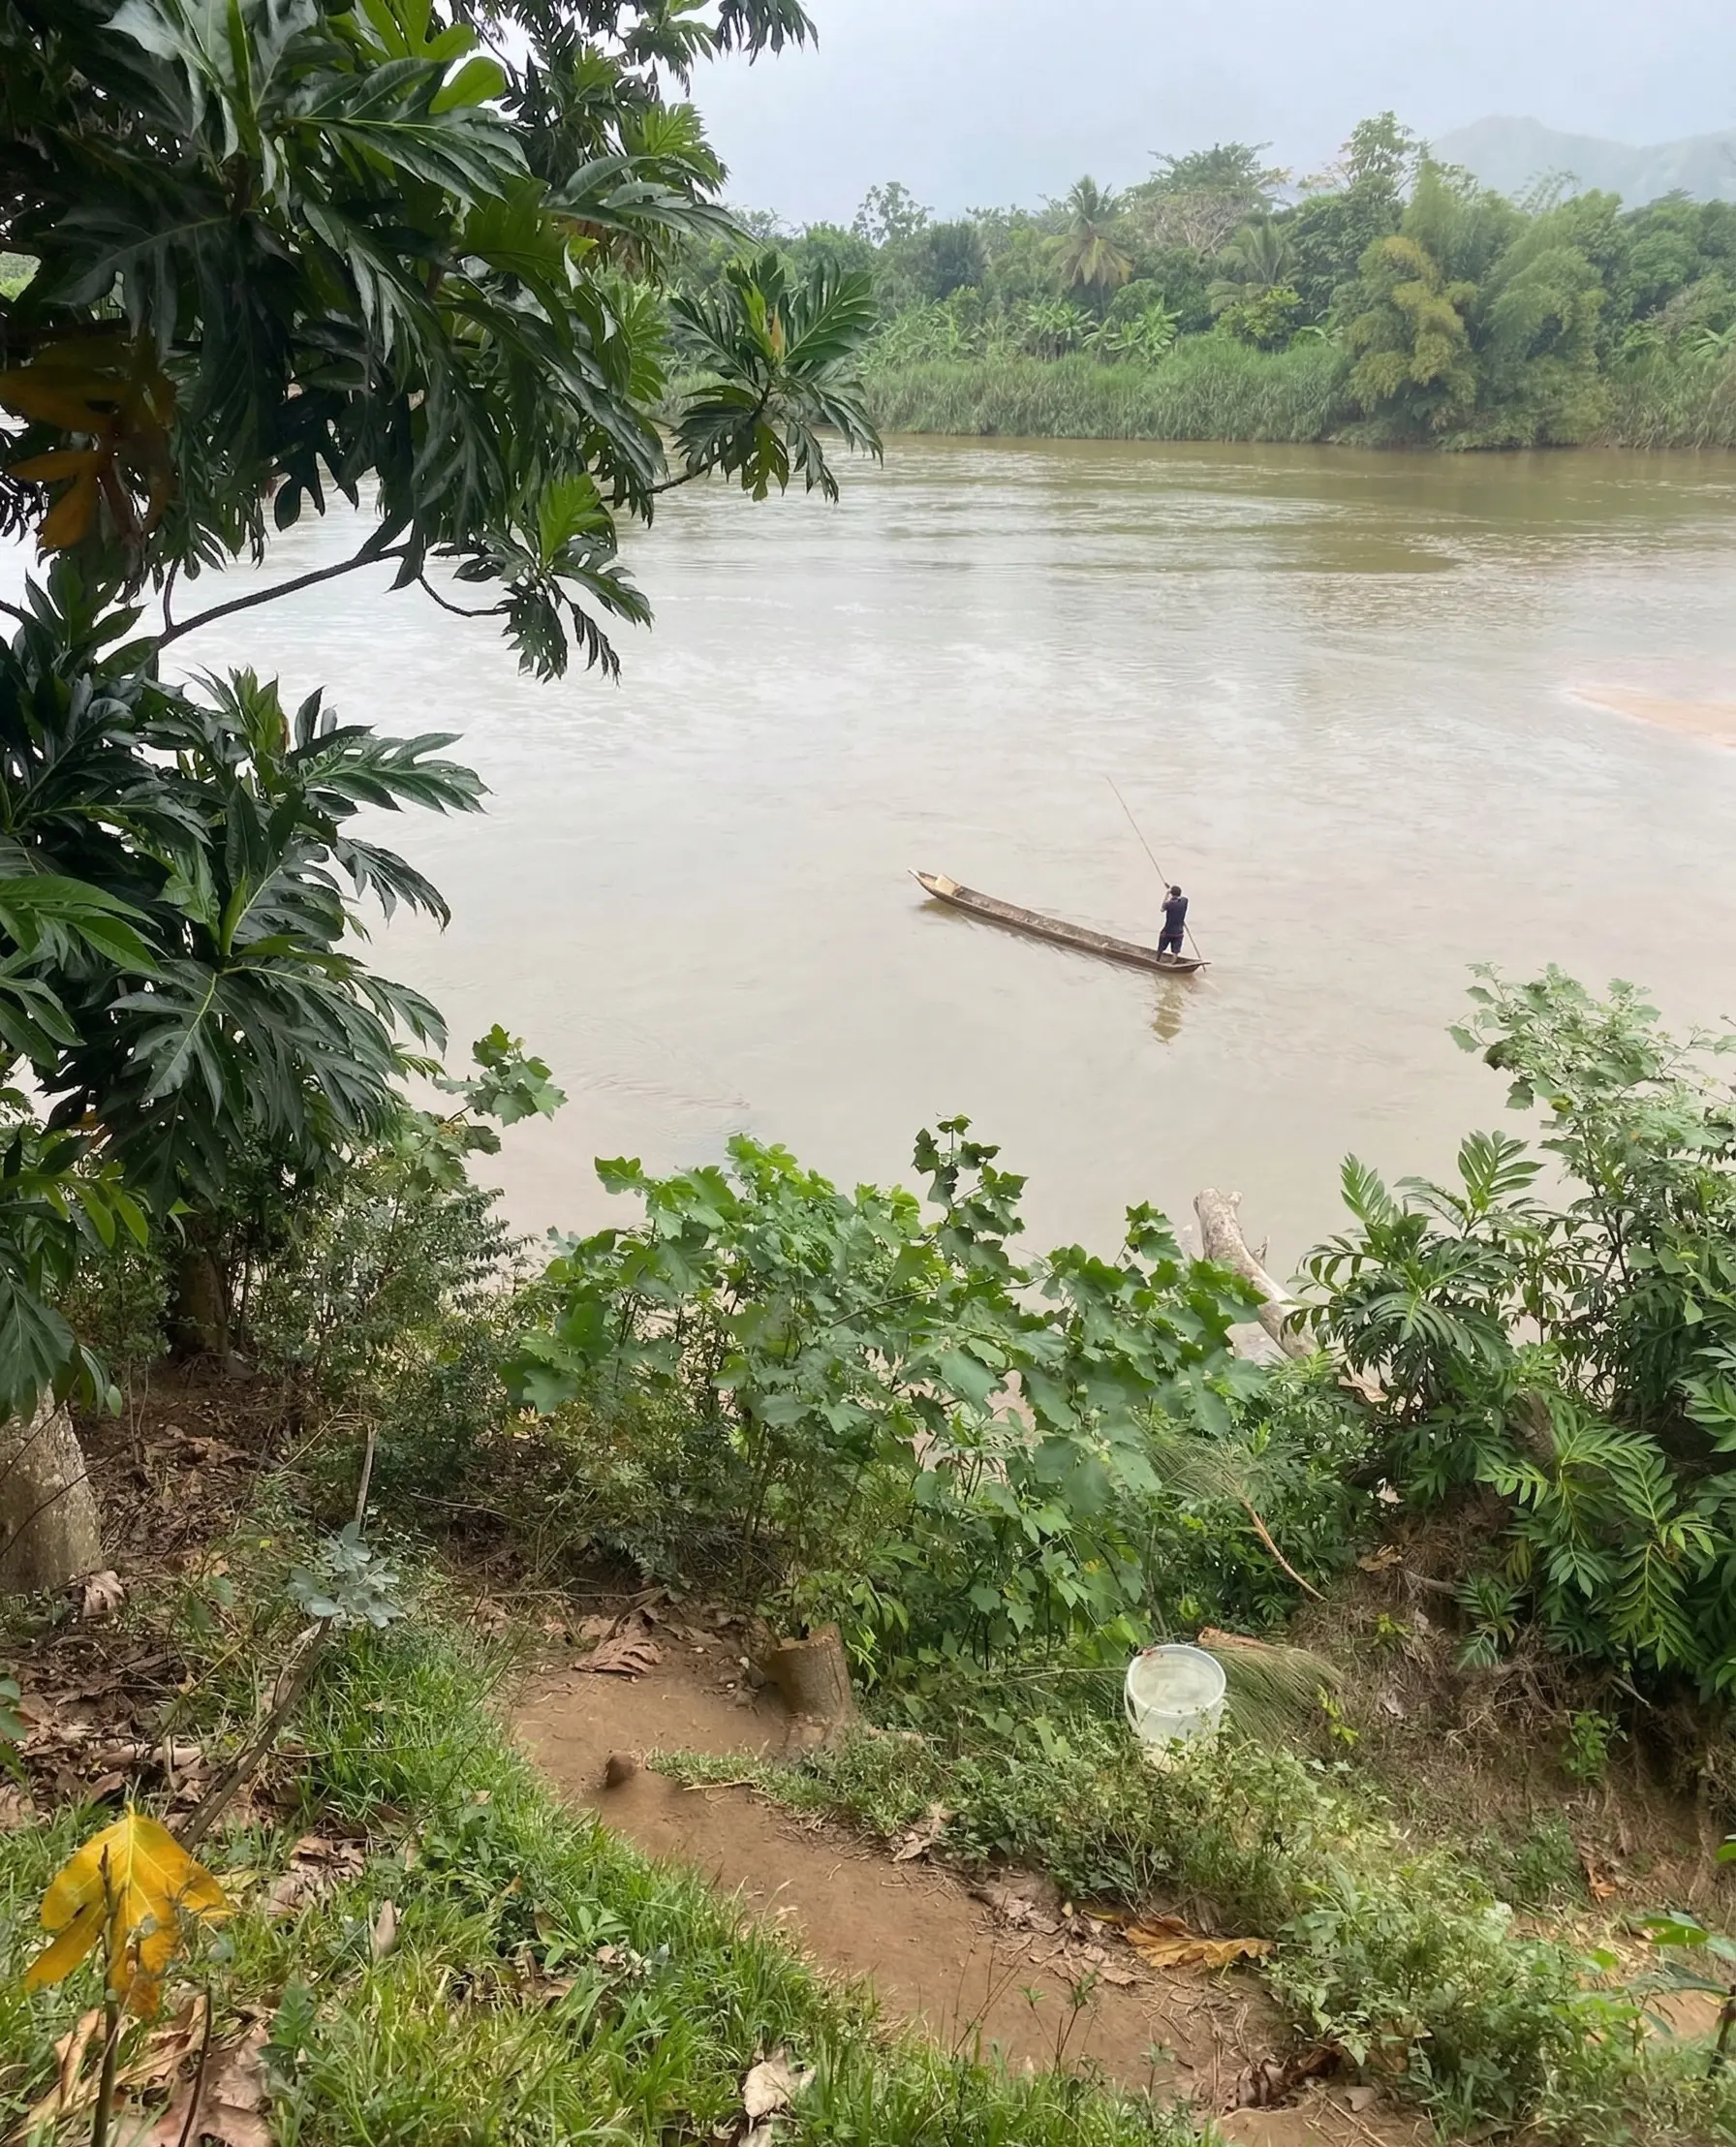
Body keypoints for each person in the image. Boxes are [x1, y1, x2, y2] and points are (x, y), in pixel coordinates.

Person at [1159, 885, 1188, 960]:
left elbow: (1162, 909)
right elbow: (1180, 898)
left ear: (1172, 894)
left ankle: (1158, 960)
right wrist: (1171, 891)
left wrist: (1167, 894)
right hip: (1179, 932)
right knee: (1176, 951)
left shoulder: (1169, 904)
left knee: (1161, 946)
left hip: (1168, 930)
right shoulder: (1184, 901)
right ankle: (1173, 962)